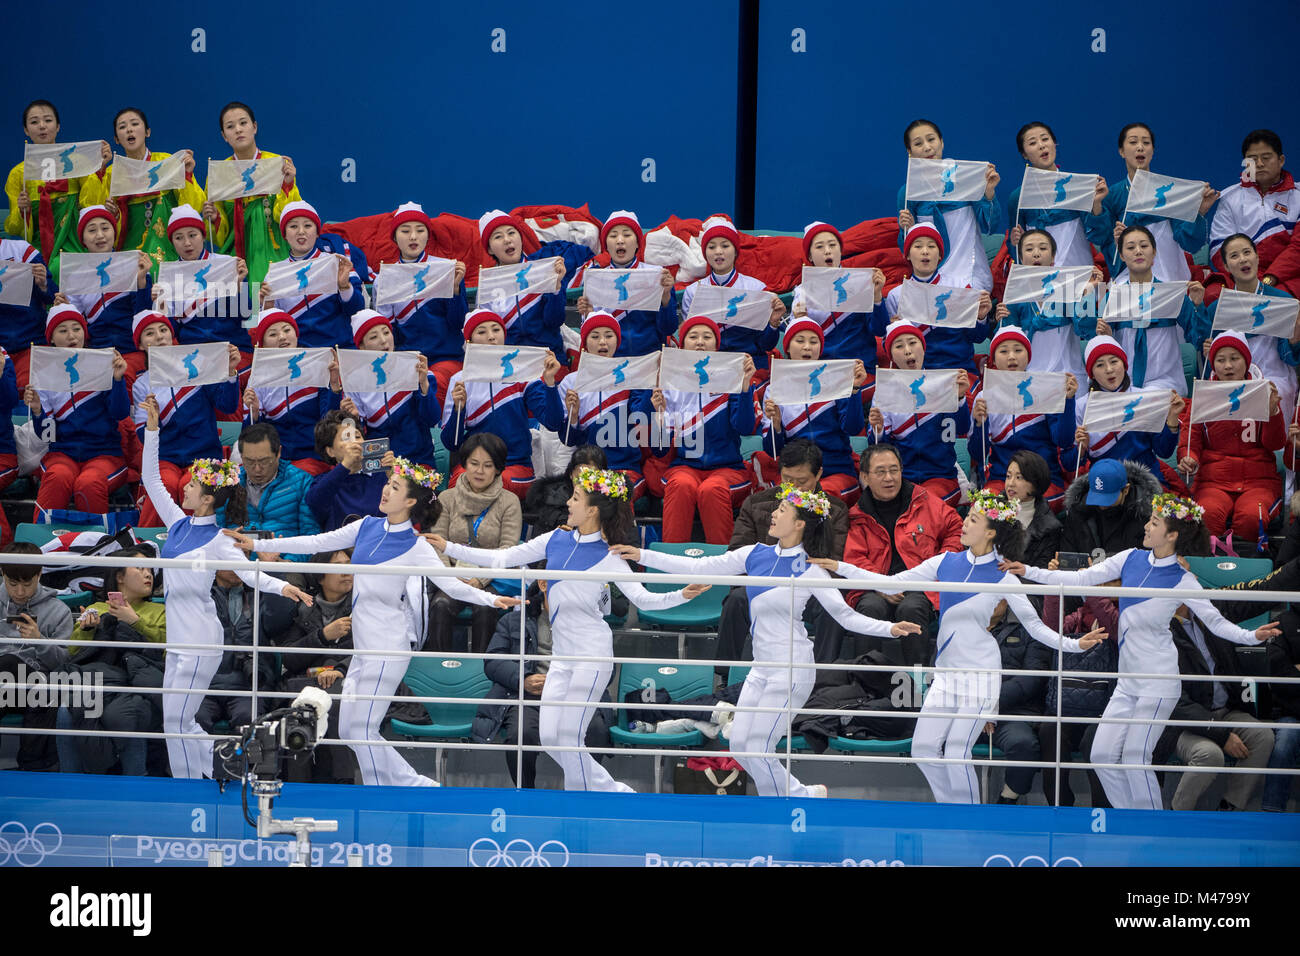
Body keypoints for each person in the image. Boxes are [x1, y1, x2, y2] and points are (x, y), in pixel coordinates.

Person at [613, 484, 922, 798]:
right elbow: (698, 566)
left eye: (782, 511)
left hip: (792, 670)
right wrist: (642, 554)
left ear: (800, 524)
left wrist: (890, 629)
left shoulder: (811, 570)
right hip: (761, 670)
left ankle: (786, 804)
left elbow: (846, 616)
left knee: (758, 746)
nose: (773, 514)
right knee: (740, 744)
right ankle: (803, 794)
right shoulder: (754, 554)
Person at [228, 458, 519, 787]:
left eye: (395, 487)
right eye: (387, 483)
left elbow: (451, 585)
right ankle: (402, 788)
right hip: (364, 649)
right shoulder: (365, 526)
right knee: (352, 731)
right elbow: (315, 543)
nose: (385, 489)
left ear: (410, 502)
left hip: (389, 649)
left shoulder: (417, 546)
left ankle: (407, 788)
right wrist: (258, 545)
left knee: (361, 730)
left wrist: (492, 599)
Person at [427, 467, 709, 792]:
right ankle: (616, 793)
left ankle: (583, 804)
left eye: (575, 499)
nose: (568, 504)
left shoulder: (610, 557)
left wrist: (682, 595)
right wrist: (450, 547)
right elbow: (503, 558)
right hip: (562, 660)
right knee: (549, 737)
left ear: (592, 510)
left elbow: (644, 601)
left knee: (569, 738)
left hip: (593, 658)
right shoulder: (555, 539)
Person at [819, 491, 1105, 804]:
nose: (964, 524)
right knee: (923, 750)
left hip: (981, 674)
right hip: (946, 673)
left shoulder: (1003, 575)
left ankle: (971, 823)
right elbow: (892, 582)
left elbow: (1035, 627)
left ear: (991, 532)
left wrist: (1075, 644)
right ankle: (953, 812)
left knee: (957, 753)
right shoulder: (945, 562)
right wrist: (839, 566)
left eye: (972, 519)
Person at [1002, 492, 1279, 810]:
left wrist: (1252, 636)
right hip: (1128, 682)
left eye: (1154, 522)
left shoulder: (1184, 581)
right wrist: (1030, 572)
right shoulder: (1130, 557)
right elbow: (1080, 578)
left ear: (1172, 535)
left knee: (1135, 757)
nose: (1146, 526)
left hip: (1159, 682)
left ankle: (1152, 833)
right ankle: (1133, 822)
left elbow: (1217, 624)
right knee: (1102, 756)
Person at [139, 395, 309, 779]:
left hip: (200, 639)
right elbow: (151, 478)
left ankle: (216, 771)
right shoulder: (178, 523)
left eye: (193, 485)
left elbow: (251, 575)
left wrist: (288, 589)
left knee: (176, 723)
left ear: (208, 498)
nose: (183, 487)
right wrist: (152, 429)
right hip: (178, 639)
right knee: (176, 725)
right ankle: (216, 774)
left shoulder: (220, 539)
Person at [815, 443, 963, 667]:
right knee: (870, 608)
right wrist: (883, 584)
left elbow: (956, 529)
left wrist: (939, 563)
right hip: (875, 586)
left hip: (919, 585)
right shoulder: (857, 514)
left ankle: (918, 684)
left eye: (894, 470)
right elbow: (855, 557)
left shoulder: (924, 500)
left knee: (911, 608)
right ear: (864, 476)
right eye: (880, 471)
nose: (889, 478)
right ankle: (866, 684)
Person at [718, 439, 851, 673]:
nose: (795, 488)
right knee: (736, 600)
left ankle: (822, 681)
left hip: (809, 590)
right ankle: (724, 676)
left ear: (818, 474)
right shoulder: (757, 503)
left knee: (833, 607)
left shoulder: (835, 510)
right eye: (788, 480)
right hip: (764, 585)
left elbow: (833, 564)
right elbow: (737, 554)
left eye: (802, 482)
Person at [651, 314, 759, 543]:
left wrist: (745, 387)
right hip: (684, 467)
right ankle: (671, 570)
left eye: (707, 337)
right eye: (693, 336)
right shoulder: (670, 384)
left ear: (717, 345)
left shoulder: (732, 379)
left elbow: (745, 427)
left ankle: (724, 571)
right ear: (682, 345)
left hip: (728, 468)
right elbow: (660, 451)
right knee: (680, 485)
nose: (700, 342)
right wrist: (658, 413)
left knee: (712, 489)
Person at [1156, 605, 1274, 811]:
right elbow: (1175, 703)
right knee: (1209, 755)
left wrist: (1254, 636)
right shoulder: (1158, 629)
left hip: (1225, 712)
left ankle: (1230, 807)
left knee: (1263, 737)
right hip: (1180, 725)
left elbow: (1256, 594)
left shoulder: (1209, 615)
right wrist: (1221, 734)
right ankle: (1178, 814)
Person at [59, 546, 165, 776]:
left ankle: (135, 783)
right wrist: (87, 630)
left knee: (130, 712)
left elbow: (166, 651)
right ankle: (70, 783)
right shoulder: (96, 609)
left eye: (150, 570)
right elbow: (73, 651)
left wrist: (135, 622)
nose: (148, 574)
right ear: (119, 576)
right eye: (140, 568)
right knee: (66, 711)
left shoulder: (160, 610)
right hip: (99, 683)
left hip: (139, 686)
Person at [131, 311, 242, 526]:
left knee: (196, 487)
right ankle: (147, 546)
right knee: (164, 484)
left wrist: (229, 373)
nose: (159, 336)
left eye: (163, 330)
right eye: (149, 333)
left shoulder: (197, 367)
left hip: (207, 457)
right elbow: (143, 438)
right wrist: (152, 422)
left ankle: (199, 544)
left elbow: (227, 406)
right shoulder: (142, 384)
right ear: (141, 344)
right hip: (165, 460)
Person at [441, 308, 566, 499]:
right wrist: (459, 408)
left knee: (491, 485)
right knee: (459, 486)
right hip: (474, 465)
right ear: (469, 341)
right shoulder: (460, 380)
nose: (491, 337)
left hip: (516, 466)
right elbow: (452, 442)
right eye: (482, 332)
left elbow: (554, 422)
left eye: (496, 330)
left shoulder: (523, 374)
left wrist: (549, 383)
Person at [1177, 331, 1285, 547]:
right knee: (1206, 516)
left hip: (1258, 481)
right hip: (1214, 481)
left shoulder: (1263, 391)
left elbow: (1276, 444)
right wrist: (1189, 457)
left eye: (1234, 359)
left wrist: (1273, 412)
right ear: (1213, 364)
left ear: (1246, 362)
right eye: (1221, 359)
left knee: (1252, 518)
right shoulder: (1204, 395)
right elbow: (1192, 438)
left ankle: (1249, 573)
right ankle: (1210, 572)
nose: (1228, 366)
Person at [25, 303, 131, 519]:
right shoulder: (43, 373)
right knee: (57, 477)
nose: (72, 335)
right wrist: (37, 411)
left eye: (77, 328)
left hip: (105, 453)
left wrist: (117, 379)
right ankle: (39, 546)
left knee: (89, 483)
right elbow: (47, 436)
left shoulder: (102, 364)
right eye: (63, 330)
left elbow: (120, 413)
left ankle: (96, 545)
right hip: (62, 453)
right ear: (51, 338)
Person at [426, 432, 521, 654]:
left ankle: (483, 672)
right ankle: (440, 667)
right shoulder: (446, 499)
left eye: (488, 465)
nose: (480, 471)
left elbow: (508, 548)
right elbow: (437, 544)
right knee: (440, 605)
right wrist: (450, 577)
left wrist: (480, 580)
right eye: (474, 463)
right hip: (453, 576)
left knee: (485, 607)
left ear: (498, 468)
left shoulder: (509, 502)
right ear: (464, 464)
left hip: (490, 577)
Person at [78, 106, 205, 268]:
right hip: (128, 248)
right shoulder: (111, 173)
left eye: (135, 124)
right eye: (122, 127)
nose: (129, 130)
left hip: (166, 247)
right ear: (117, 139)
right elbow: (91, 208)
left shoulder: (166, 162)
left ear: (147, 132)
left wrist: (187, 174)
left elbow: (193, 207)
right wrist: (112, 214)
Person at [758, 317, 868, 503]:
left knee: (816, 498)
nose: (807, 347)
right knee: (787, 500)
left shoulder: (836, 380)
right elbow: (772, 451)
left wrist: (854, 390)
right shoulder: (774, 388)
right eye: (800, 341)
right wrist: (776, 426)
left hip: (837, 470)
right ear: (787, 347)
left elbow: (853, 428)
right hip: (796, 474)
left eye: (813, 341)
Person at [866, 319, 972, 505]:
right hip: (901, 479)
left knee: (920, 504)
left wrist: (960, 398)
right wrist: (879, 429)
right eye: (899, 346)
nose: (907, 350)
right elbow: (878, 447)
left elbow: (962, 428)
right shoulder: (885, 391)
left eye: (913, 343)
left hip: (942, 477)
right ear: (890, 355)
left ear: (923, 348)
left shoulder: (943, 382)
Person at [1094, 224, 1208, 395]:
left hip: (1166, 383)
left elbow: (1198, 338)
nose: (1138, 251)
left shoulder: (1171, 293)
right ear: (1122, 255)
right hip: (1123, 384)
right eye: (1130, 247)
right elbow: (1101, 345)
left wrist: (1198, 306)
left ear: (1154, 252)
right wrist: (1108, 339)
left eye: (1144, 246)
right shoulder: (1113, 296)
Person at [968, 324, 1077, 499]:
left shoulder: (1045, 388)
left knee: (1027, 510)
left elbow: (1063, 440)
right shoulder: (984, 396)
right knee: (984, 511)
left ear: (1028, 356)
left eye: (1018, 350)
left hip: (1043, 479)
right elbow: (977, 454)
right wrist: (979, 424)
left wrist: (1068, 402)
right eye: (1003, 351)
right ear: (994, 359)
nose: (1011, 356)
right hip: (1002, 479)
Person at [278, 549, 358, 784]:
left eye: (349, 565)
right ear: (320, 576)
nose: (347, 573)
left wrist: (340, 669)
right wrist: (322, 636)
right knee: (299, 710)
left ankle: (343, 786)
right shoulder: (302, 607)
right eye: (339, 567)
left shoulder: (363, 605)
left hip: (350, 682)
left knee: (333, 705)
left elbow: (373, 649)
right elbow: (289, 659)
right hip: (308, 683)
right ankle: (298, 788)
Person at [1100, 123, 1217, 282]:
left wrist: (1199, 213)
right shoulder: (1112, 196)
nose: (1140, 147)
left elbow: (1190, 244)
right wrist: (1118, 242)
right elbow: (1111, 255)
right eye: (1133, 142)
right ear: (1121, 151)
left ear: (1153, 151)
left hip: (1170, 277)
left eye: (1146, 143)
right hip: (1129, 280)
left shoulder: (1170, 192)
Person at [556, 312, 655, 500]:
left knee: (607, 494)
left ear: (617, 341)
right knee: (586, 496)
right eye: (595, 336)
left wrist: (651, 389)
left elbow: (640, 416)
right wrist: (574, 417)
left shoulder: (632, 376)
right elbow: (569, 440)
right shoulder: (571, 383)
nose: (603, 342)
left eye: (609, 336)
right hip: (588, 469)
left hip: (625, 470)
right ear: (584, 343)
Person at [896, 119, 1003, 292]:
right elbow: (907, 250)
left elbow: (989, 227)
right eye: (918, 143)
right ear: (909, 152)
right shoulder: (908, 191)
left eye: (931, 139)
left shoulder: (964, 177)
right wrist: (905, 230)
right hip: (930, 277)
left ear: (942, 142)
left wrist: (988, 193)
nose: (927, 147)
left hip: (971, 275)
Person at [376, 201, 468, 400]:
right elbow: (387, 332)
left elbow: (458, 322)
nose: (413, 237)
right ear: (394, 237)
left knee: (436, 383)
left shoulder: (445, 269)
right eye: (405, 230)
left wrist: (455, 290)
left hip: (446, 356)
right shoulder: (385, 279)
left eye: (420, 230)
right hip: (407, 358)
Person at [203, 101, 301, 282]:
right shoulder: (219, 173)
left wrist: (287, 184)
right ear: (224, 136)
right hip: (236, 253)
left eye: (243, 123)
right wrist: (215, 217)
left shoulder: (276, 164)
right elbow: (220, 235)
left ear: (254, 127)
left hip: (273, 248)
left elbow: (290, 217)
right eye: (230, 127)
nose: (238, 130)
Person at [1205, 233, 1300, 419]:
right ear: (1225, 266)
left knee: (1273, 393)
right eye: (1234, 256)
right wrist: (1210, 350)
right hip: (1230, 377)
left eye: (1247, 252)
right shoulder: (1218, 308)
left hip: (1274, 375)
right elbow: (1212, 358)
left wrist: (1294, 341)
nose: (1242, 260)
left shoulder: (1282, 301)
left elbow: (1289, 358)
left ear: (1257, 257)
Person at [1072, 335, 1185, 488]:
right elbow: (1070, 463)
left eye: (1114, 361)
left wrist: (1172, 418)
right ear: (1091, 373)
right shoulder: (1081, 406)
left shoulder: (1143, 398)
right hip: (1106, 485)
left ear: (1124, 365)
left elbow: (1164, 451)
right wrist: (1082, 448)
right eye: (1100, 365)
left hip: (1145, 480)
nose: (1109, 370)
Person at [56, 205, 154, 377]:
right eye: (92, 230)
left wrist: (141, 283)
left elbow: (143, 315)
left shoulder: (134, 265)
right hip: (97, 352)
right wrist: (64, 309)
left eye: (105, 228)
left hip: (132, 350)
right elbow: (77, 328)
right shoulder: (75, 277)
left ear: (114, 233)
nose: (100, 235)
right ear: (83, 240)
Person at [883, 224, 994, 376]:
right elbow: (889, 348)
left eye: (931, 246)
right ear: (907, 254)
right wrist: (895, 331)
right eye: (918, 246)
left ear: (940, 254)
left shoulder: (960, 287)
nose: (925, 251)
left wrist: (981, 317)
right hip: (917, 374)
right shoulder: (896, 295)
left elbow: (978, 337)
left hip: (960, 371)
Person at [679, 215, 786, 373]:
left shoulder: (756, 288)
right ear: (705, 252)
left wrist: (773, 323)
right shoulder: (693, 291)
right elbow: (691, 345)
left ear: (736, 251)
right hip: (710, 367)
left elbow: (765, 345)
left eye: (725, 246)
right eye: (712, 247)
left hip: (749, 365)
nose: (718, 252)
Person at [0, 542, 73, 771]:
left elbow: (62, 663)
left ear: (40, 574)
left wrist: (39, 640)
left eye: (27, 584)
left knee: (47, 686)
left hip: (35, 686)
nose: (19, 592)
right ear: (2, 574)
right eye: (12, 584)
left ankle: (32, 768)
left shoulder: (58, 610)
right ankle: (33, 767)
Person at [996, 228, 1104, 380]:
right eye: (1029, 249)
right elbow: (1006, 342)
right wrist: (1003, 320)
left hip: (1069, 376)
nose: (1036, 253)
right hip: (1029, 378)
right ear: (1020, 257)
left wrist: (1088, 294)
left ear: (1053, 257)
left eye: (1043, 248)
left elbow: (1088, 331)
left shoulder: (1069, 290)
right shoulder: (1014, 294)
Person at [476, 208, 586, 359]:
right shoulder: (487, 284)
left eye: (511, 233)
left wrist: (556, 288)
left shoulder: (542, 270)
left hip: (549, 358)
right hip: (509, 363)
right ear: (489, 249)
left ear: (521, 238)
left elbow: (554, 321)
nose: (507, 240)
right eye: (498, 237)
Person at [243, 308, 340, 476]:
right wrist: (256, 413)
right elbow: (249, 435)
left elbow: (329, 420)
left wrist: (333, 386)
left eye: (287, 330)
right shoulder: (257, 376)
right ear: (263, 344)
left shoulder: (318, 366)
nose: (282, 337)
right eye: (273, 334)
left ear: (296, 335)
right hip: (275, 458)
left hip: (314, 456)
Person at [572, 210, 678, 357]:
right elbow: (592, 339)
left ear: (637, 243)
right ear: (606, 245)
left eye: (627, 235)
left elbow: (668, 328)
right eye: (613, 236)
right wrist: (589, 315)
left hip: (647, 361)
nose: (620, 240)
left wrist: (665, 297)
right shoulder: (596, 276)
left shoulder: (657, 275)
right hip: (609, 361)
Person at [341, 309, 441, 466]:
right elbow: (352, 437)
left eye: (386, 332)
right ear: (361, 346)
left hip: (417, 460)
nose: (383, 340)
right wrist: (353, 417)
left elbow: (432, 419)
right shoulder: (354, 381)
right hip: (378, 463)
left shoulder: (415, 367)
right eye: (373, 337)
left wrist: (423, 386)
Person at [1005, 121, 1111, 269]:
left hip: (1079, 278)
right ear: (1024, 154)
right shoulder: (1018, 197)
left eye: (1045, 139)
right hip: (1042, 282)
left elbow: (1101, 237)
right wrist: (1015, 243)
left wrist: (1097, 205)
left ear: (1055, 143)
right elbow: (1017, 257)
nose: (1041, 145)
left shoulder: (1077, 186)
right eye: (1033, 143)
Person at [259, 201, 363, 349]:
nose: (301, 231)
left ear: (317, 232)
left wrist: (345, 287)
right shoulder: (274, 273)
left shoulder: (337, 263)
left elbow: (358, 310)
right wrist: (266, 306)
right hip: (299, 355)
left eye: (308, 225)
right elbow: (255, 325)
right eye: (293, 226)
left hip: (340, 349)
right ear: (284, 235)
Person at [5, 99, 97, 263]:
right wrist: (21, 211)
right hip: (36, 249)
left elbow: (92, 206)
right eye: (34, 122)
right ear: (26, 130)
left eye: (48, 120)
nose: (42, 126)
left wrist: (100, 169)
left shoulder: (77, 162)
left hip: (74, 245)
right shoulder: (18, 174)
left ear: (58, 126)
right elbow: (13, 228)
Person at [789, 220, 888, 367]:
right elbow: (794, 350)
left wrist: (877, 297)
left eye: (832, 245)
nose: (827, 251)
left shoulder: (861, 283)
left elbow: (880, 330)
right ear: (809, 256)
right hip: (823, 369)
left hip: (860, 367)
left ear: (841, 251)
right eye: (819, 247)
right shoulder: (802, 292)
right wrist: (799, 321)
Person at [156, 204, 249, 358]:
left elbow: (248, 316)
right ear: (172, 242)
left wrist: (239, 286)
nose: (187, 243)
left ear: (203, 236)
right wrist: (161, 304)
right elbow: (171, 328)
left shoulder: (225, 264)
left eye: (192, 235)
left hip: (232, 347)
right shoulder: (168, 275)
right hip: (193, 352)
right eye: (179, 237)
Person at [1209, 129, 1298, 274]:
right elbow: (1219, 249)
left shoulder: (1298, 196)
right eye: (1253, 159)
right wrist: (1250, 280)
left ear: (1281, 160)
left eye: (1266, 157)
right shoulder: (1229, 198)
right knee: (1212, 293)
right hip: (1243, 277)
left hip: (1291, 275)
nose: (1260, 164)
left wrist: (1271, 278)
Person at [230, 422, 321, 549]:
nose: (257, 469)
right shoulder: (229, 484)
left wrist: (287, 562)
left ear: (278, 453)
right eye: (249, 461)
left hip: (285, 565)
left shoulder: (302, 482)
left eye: (264, 461)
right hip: (239, 563)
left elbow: (311, 536)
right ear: (241, 457)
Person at [1057, 456, 1160, 562]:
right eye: (1097, 497)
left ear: (1126, 489)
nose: (1102, 505)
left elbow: (1149, 560)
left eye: (1108, 499)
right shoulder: (1078, 512)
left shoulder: (1145, 516)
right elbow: (1068, 555)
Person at [304, 410, 387, 531]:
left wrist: (395, 477)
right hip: (340, 548)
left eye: (358, 436)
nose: (355, 442)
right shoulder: (323, 482)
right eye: (346, 438)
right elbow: (314, 502)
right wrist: (346, 464)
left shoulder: (383, 475)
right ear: (330, 451)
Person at [0, 226, 57, 389]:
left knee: (32, 395)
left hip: (32, 343)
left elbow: (53, 296)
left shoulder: (21, 250)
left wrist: (43, 284)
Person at [1001, 450, 1063, 567]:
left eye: (1019, 477)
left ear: (1035, 483)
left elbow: (1040, 571)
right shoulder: (990, 508)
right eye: (1008, 476)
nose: (1011, 483)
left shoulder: (1050, 528)